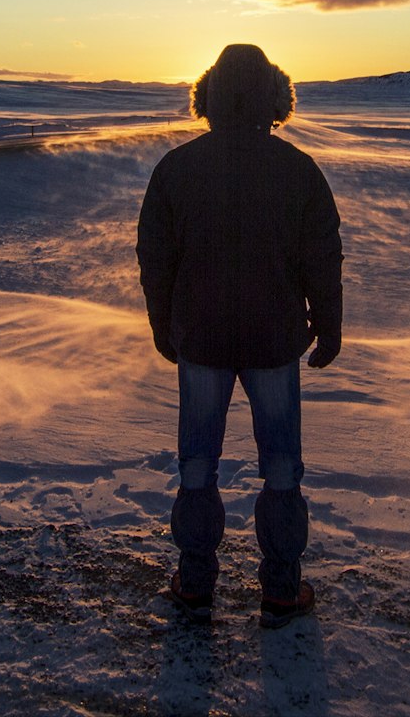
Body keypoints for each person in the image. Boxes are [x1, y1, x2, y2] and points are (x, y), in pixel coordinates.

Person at [136, 43, 344, 629]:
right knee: (280, 465)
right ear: (276, 97)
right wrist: (327, 328)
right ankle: (280, 589)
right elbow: (322, 259)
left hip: (200, 338)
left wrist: (164, 326)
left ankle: (196, 585)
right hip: (274, 341)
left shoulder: (177, 167)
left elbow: (156, 259)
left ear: (209, 97)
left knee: (198, 463)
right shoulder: (297, 168)